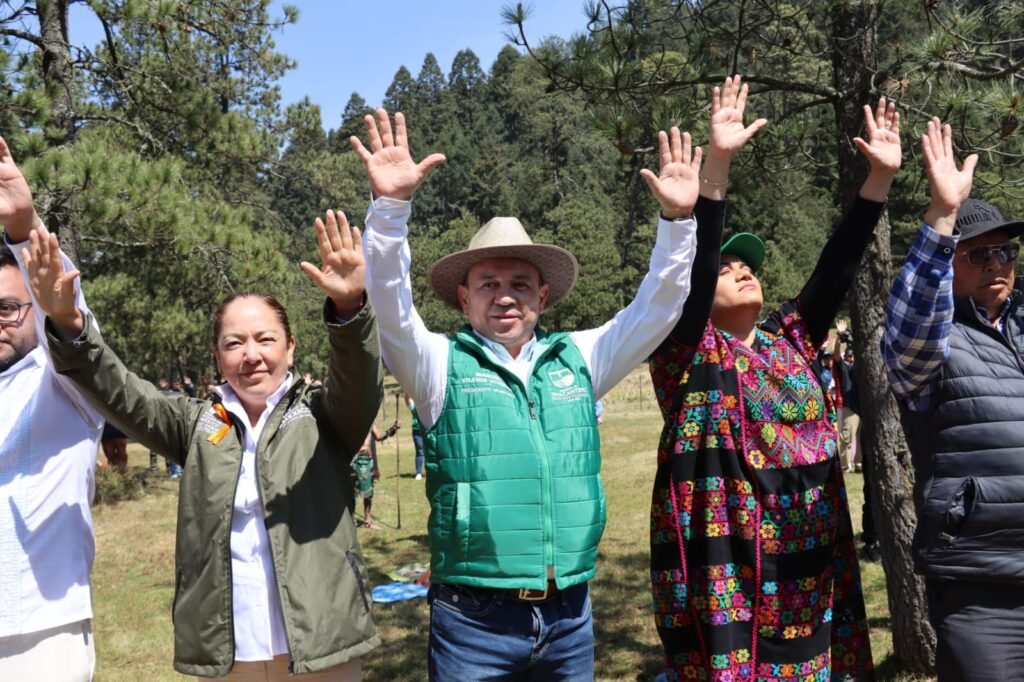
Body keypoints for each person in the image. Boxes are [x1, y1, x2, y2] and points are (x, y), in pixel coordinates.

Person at [354, 107, 701, 679]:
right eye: (488, 284)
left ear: (542, 296)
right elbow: (390, 307)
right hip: (473, 624)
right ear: (464, 298)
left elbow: (659, 308)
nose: (505, 296)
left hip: (570, 616)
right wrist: (390, 209)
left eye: (520, 284)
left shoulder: (580, 357)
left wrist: (678, 220)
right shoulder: (438, 364)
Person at [23, 208, 383, 679]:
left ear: (290, 346)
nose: (251, 355)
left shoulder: (323, 416)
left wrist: (350, 309)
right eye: (234, 343)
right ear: (217, 355)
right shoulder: (194, 423)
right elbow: (122, 394)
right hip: (229, 651)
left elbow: (359, 381)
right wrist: (68, 323)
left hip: (322, 642)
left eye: (265, 339)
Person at [647, 77, 899, 680]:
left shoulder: (790, 338)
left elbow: (836, 268)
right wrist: (717, 167)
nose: (742, 272)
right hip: (728, 574)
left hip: (805, 575)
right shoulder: (688, 352)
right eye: (726, 268)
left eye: (748, 265)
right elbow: (694, 271)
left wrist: (878, 182)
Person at [881, 117, 1024, 680]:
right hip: (981, 586)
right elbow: (914, 317)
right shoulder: (936, 344)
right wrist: (942, 216)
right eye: (978, 255)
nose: (996, 264)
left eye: (1005, 252)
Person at [0, 138, 103, 680]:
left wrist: (23, 227)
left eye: (8, 308)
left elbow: (71, 321)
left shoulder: (64, 382)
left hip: (43, 629)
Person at [148, 377, 184, 480]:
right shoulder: (155, 393)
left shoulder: (175, 394)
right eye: (161, 381)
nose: (163, 383)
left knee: (169, 448)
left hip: (168, 424)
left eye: (165, 381)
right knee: (153, 448)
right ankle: (154, 468)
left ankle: (171, 469)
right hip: (156, 422)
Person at [404, 393, 425, 480]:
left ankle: (431, 471)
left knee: (430, 451)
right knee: (420, 450)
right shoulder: (414, 404)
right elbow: (407, 400)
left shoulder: (428, 403)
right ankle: (419, 472)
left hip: (428, 429)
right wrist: (408, 390)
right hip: (417, 430)